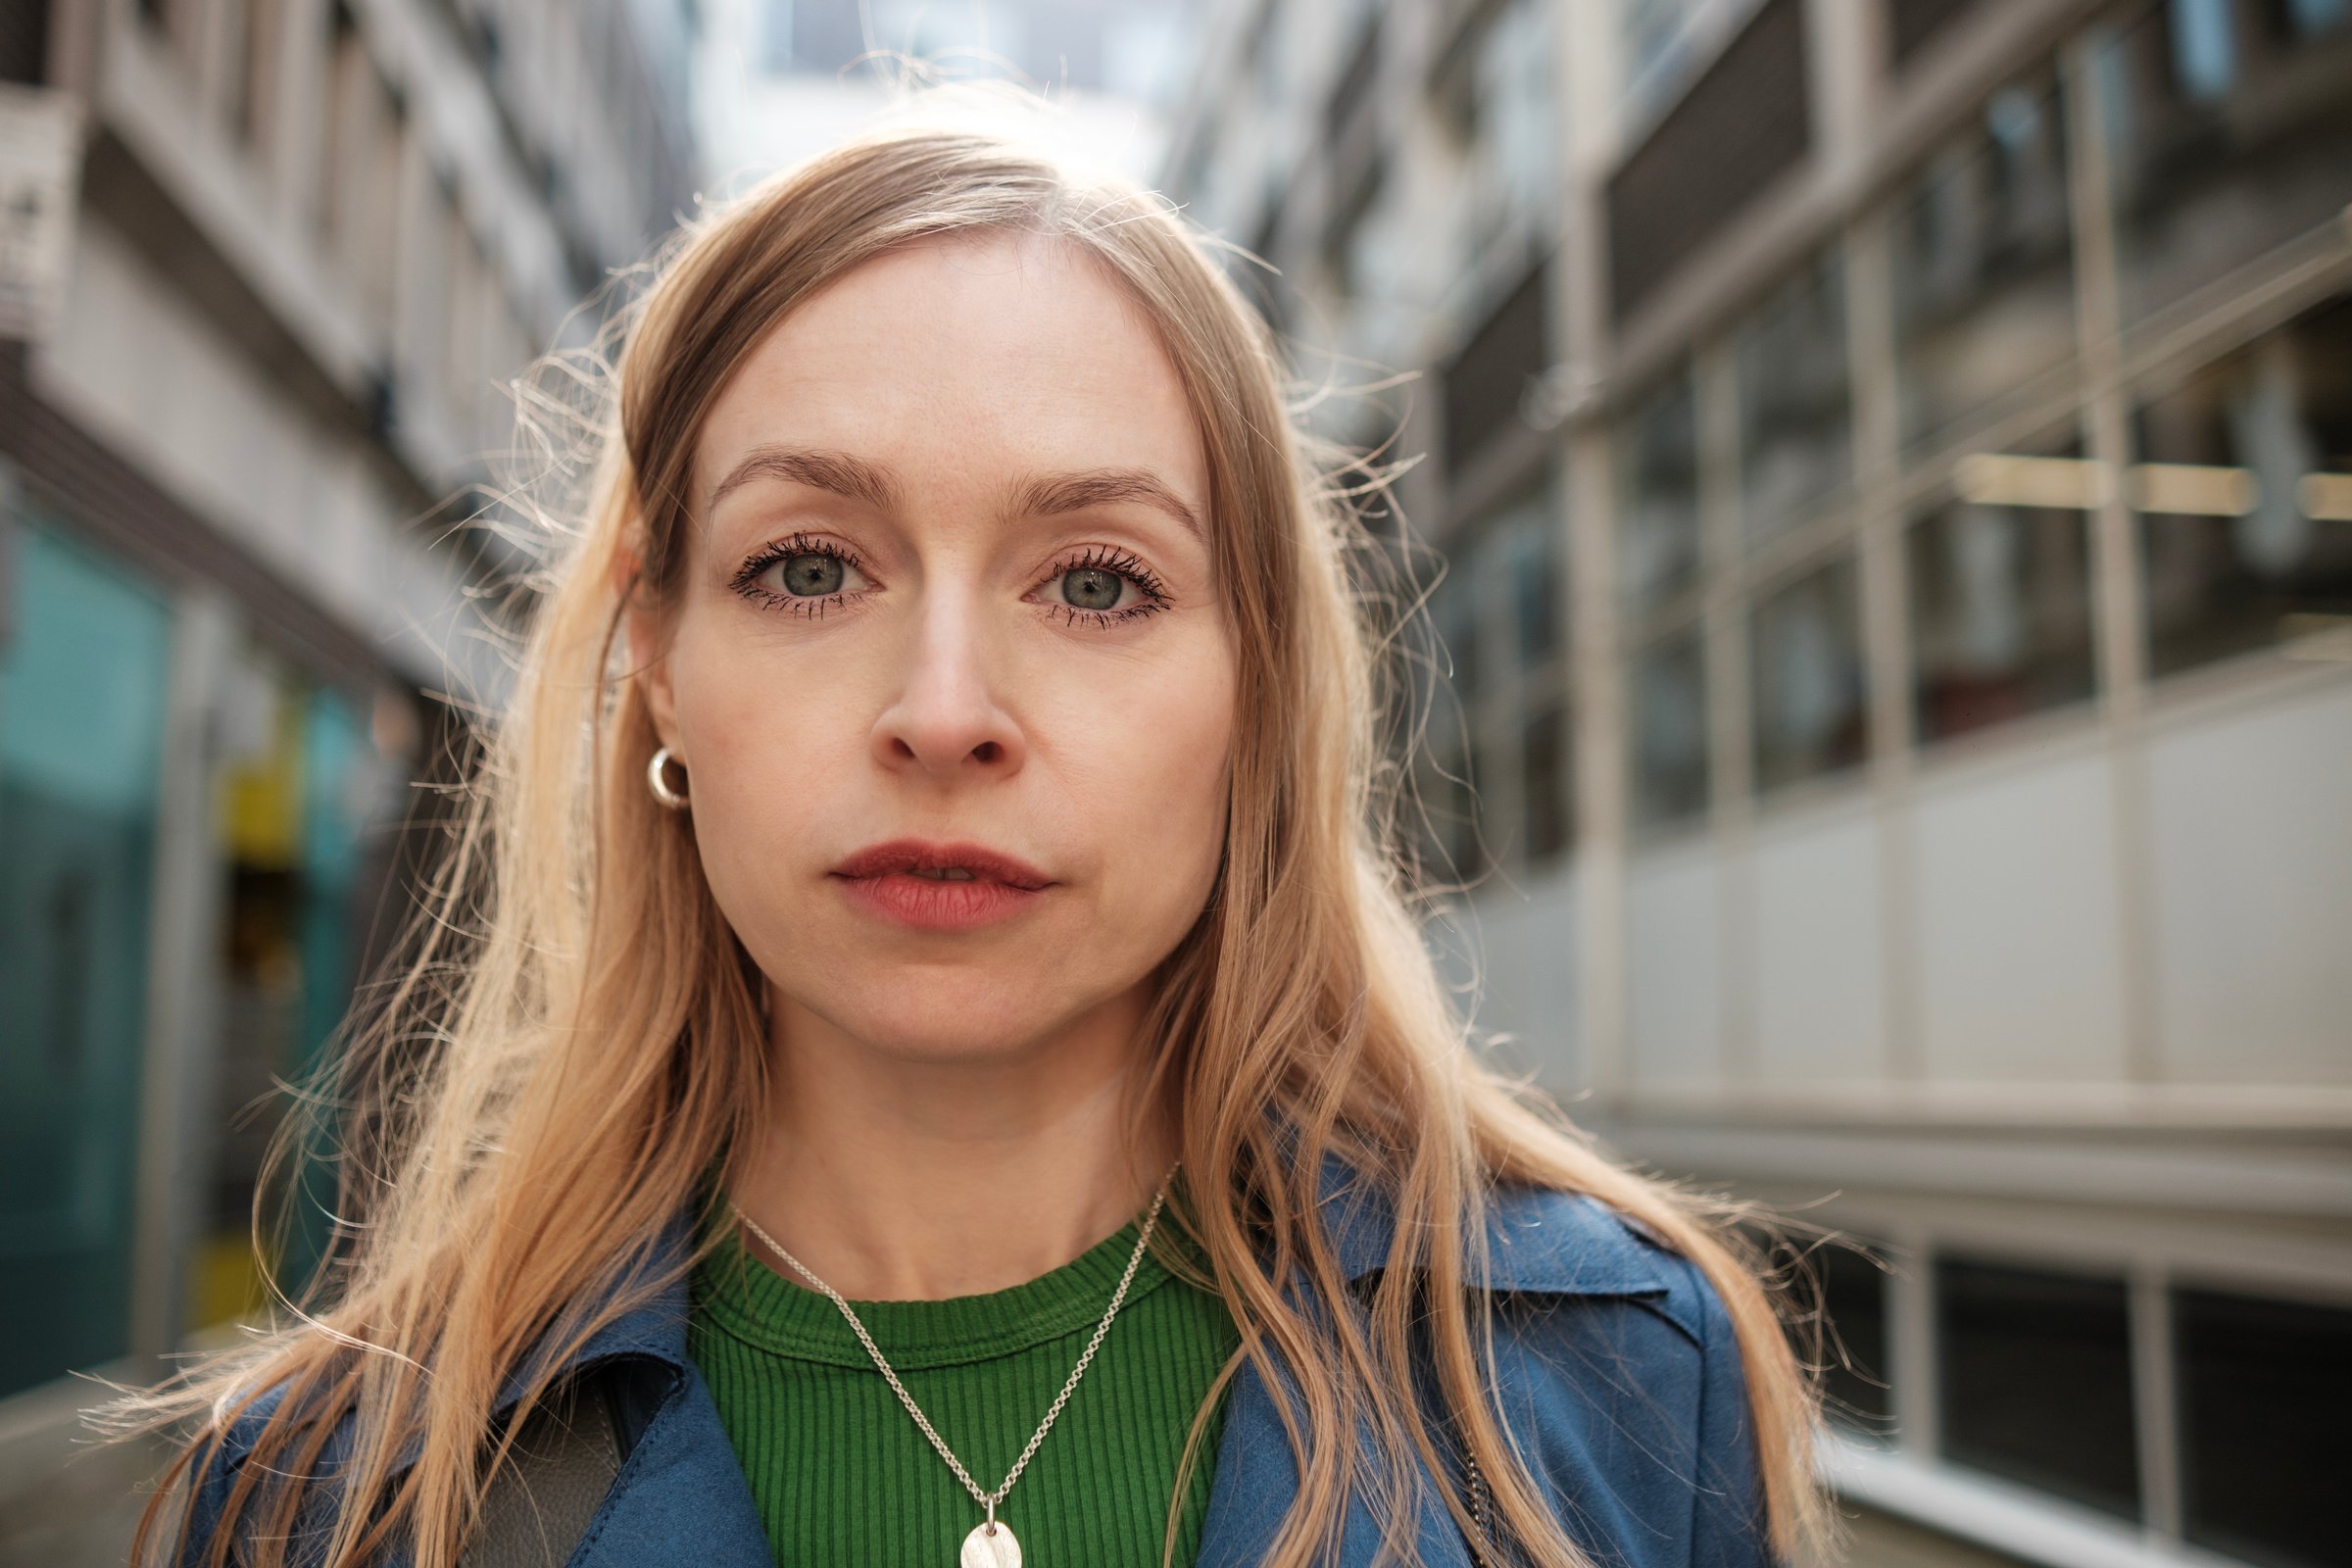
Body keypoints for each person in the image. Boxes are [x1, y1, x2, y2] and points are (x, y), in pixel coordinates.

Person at [112, 122, 1826, 1568]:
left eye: (1097, 583)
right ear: (661, 659)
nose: (944, 711)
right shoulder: (321, 1497)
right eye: (808, 566)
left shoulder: (1616, 1388)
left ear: (1258, 691)